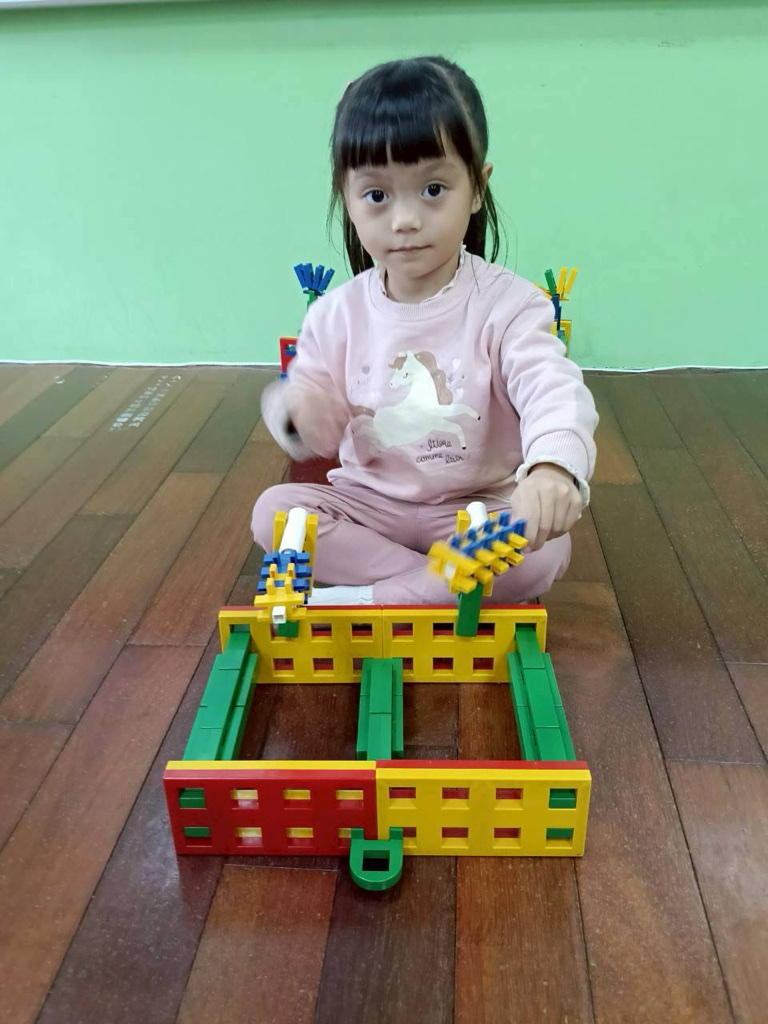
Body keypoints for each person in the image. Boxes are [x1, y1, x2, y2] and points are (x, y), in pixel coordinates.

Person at [252, 56, 598, 606]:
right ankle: (444, 587)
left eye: (433, 189)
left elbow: (553, 390)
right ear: (347, 197)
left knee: (547, 551)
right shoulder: (335, 313)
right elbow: (304, 390)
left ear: (477, 188)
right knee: (273, 512)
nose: (405, 220)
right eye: (377, 195)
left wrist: (554, 468)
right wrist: (297, 411)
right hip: (371, 506)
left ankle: (373, 597)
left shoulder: (512, 305)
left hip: (473, 513)